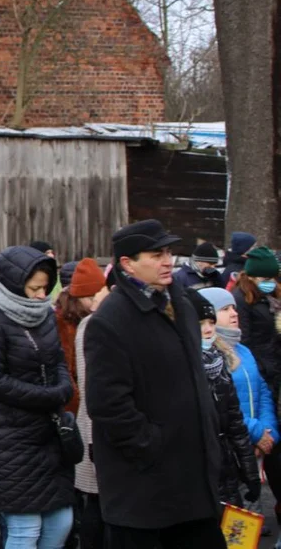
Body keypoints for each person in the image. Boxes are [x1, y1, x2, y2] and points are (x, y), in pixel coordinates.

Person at [84, 220, 224, 548]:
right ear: (127, 263)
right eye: (155, 254)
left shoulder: (182, 305)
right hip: (146, 490)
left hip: (193, 480)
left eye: (169, 252)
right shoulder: (110, 321)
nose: (167, 261)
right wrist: (151, 445)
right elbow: (108, 405)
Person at [0, 246, 74, 548]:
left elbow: (57, 360)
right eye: (34, 288)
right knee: (25, 528)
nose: (42, 295)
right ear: (14, 285)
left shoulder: (43, 317)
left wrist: (63, 388)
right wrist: (48, 396)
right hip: (9, 440)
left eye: (46, 287)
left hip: (48, 436)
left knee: (61, 520)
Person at [193, 291, 259, 507]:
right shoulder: (181, 366)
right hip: (200, 468)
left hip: (226, 462)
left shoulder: (221, 362)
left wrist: (250, 473)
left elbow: (235, 422)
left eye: (211, 322)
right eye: (201, 323)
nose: (208, 329)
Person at [72, 268, 111, 549]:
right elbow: (91, 383)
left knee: (100, 504)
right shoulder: (93, 325)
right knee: (99, 505)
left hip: (93, 425)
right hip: (95, 428)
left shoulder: (94, 322)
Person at [54, 258, 107, 415]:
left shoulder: (103, 317)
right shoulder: (63, 323)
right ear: (77, 297)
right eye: (90, 298)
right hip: (79, 406)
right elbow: (65, 371)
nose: (95, 303)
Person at [233, 246, 281, 389]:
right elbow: (244, 339)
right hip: (261, 369)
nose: (271, 282)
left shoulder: (272, 296)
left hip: (274, 365)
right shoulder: (241, 299)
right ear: (251, 277)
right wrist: (261, 367)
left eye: (273, 277)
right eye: (266, 278)